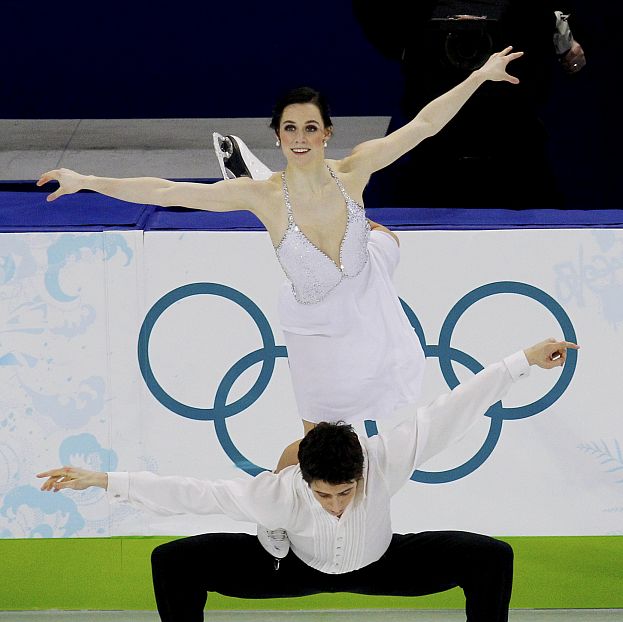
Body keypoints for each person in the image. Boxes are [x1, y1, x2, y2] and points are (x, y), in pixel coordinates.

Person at [37, 337, 578, 622]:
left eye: (346, 492)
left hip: (381, 561)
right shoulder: (279, 492)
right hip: (289, 565)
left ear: (362, 472)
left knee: (490, 557)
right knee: (174, 561)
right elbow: (196, 493)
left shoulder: (384, 460)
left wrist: (523, 361)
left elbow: (452, 411)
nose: (336, 504)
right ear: (304, 480)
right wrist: (104, 480)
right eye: (324, 495)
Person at [37, 47, 522, 436]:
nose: (300, 137)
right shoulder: (263, 199)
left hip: (367, 283)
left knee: (385, 240)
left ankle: (363, 227)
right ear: (278, 136)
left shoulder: (354, 170)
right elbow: (167, 191)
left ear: (327, 133)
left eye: (311, 128)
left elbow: (424, 125)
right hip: (315, 324)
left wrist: (479, 76)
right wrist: (87, 180)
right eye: (290, 128)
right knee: (319, 441)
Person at [353, 1, 586, 208]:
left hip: (515, 138)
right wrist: (408, 45)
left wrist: (563, 37)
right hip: (434, 149)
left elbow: (554, 17)